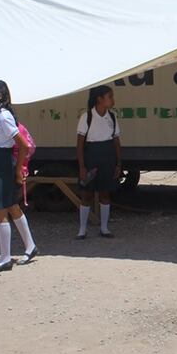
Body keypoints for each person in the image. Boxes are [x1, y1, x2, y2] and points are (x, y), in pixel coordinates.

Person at [0, 79, 38, 273]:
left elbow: (23, 145)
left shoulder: (3, 116)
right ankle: (30, 246)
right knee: (12, 206)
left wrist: (18, 169)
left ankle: (5, 258)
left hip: (2, 163)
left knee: (0, 210)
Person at [75, 85, 121, 240]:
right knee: (86, 193)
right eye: (110, 96)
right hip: (91, 157)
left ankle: (104, 228)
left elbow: (116, 141)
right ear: (99, 99)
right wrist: (82, 166)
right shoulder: (86, 117)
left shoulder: (112, 117)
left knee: (105, 193)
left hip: (107, 157)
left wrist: (118, 163)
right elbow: (80, 144)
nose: (113, 100)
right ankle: (82, 229)